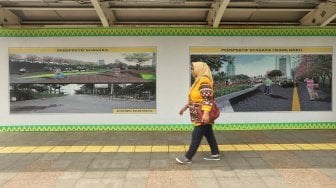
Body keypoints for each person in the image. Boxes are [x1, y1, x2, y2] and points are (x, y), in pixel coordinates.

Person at [176, 61, 220, 164]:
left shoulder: (204, 81)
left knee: (196, 135)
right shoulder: (198, 81)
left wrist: (205, 113)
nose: (192, 71)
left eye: (193, 68)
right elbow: (194, 98)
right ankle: (215, 154)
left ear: (199, 69)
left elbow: (207, 98)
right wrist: (185, 107)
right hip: (200, 113)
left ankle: (188, 157)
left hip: (203, 114)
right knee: (209, 133)